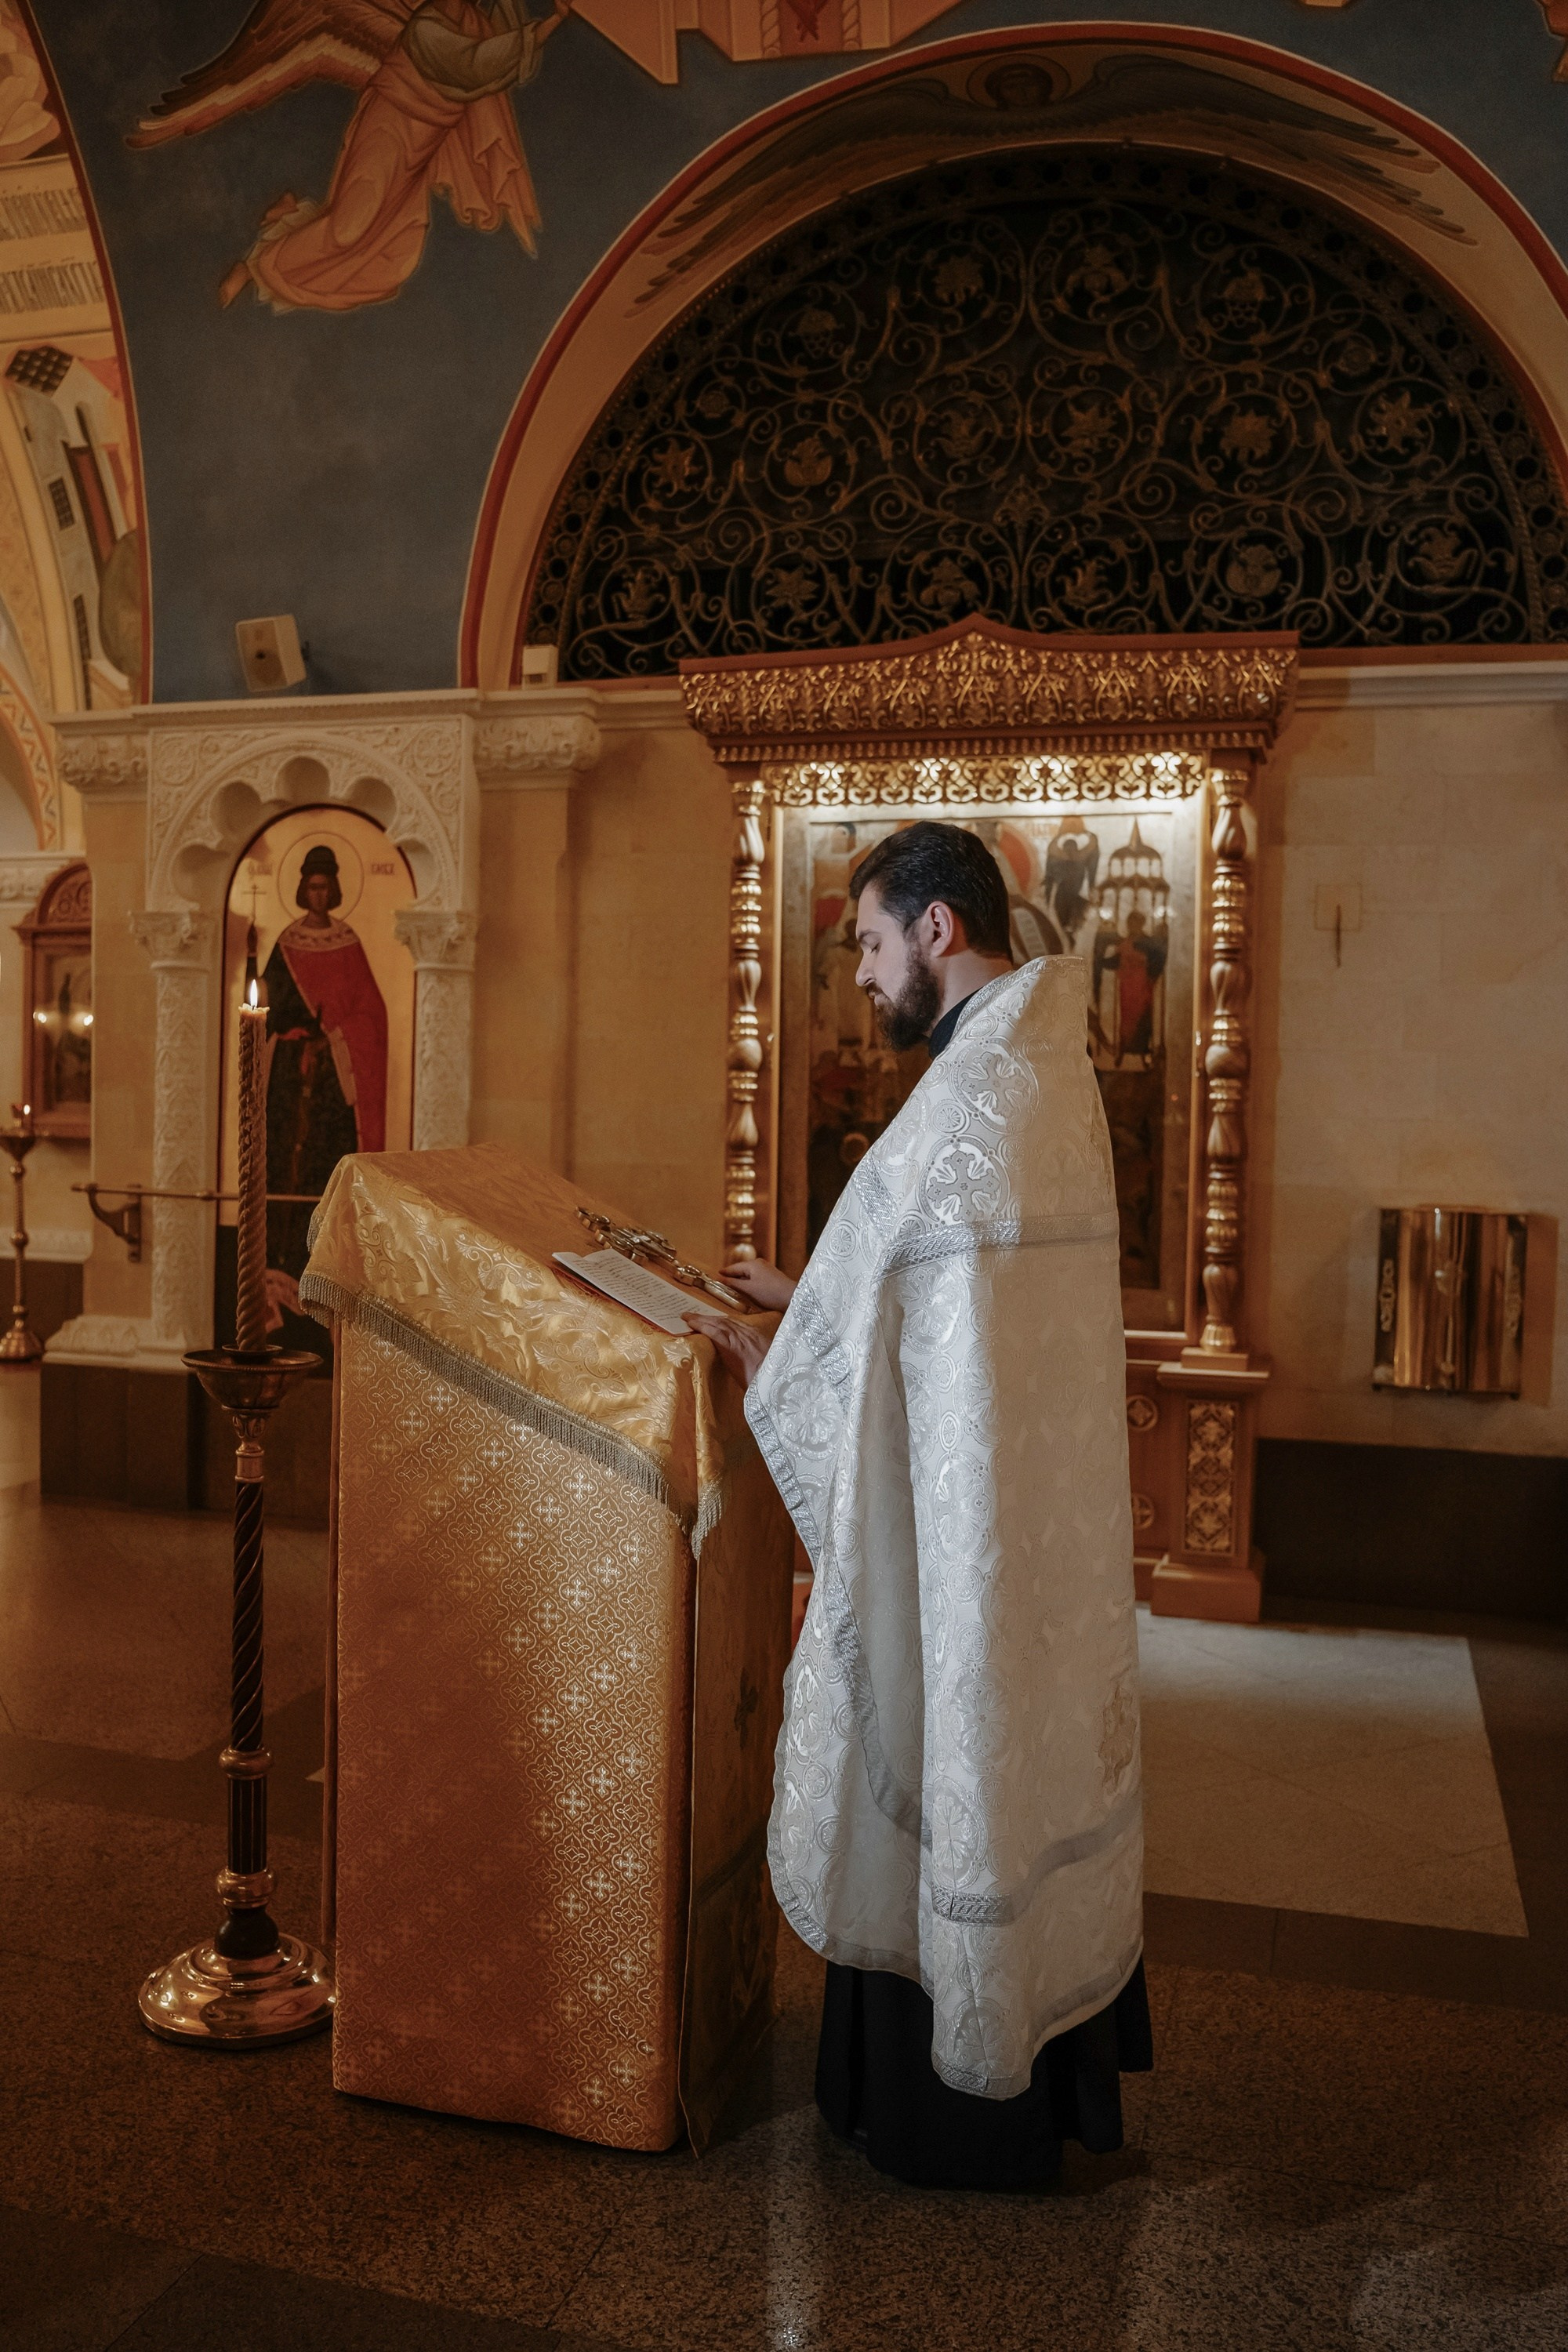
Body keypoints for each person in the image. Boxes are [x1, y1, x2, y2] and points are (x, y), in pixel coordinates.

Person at [686, 820, 1149, 2192]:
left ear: (940, 931)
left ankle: (953, 2107)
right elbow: (917, 1275)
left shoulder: (973, 1095)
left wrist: (780, 1361)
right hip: (1022, 1532)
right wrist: (809, 1296)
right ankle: (1047, 2070)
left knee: (954, 1750)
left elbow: (910, 1284)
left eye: (875, 945)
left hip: (967, 1545)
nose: (869, 978)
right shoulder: (1032, 1066)